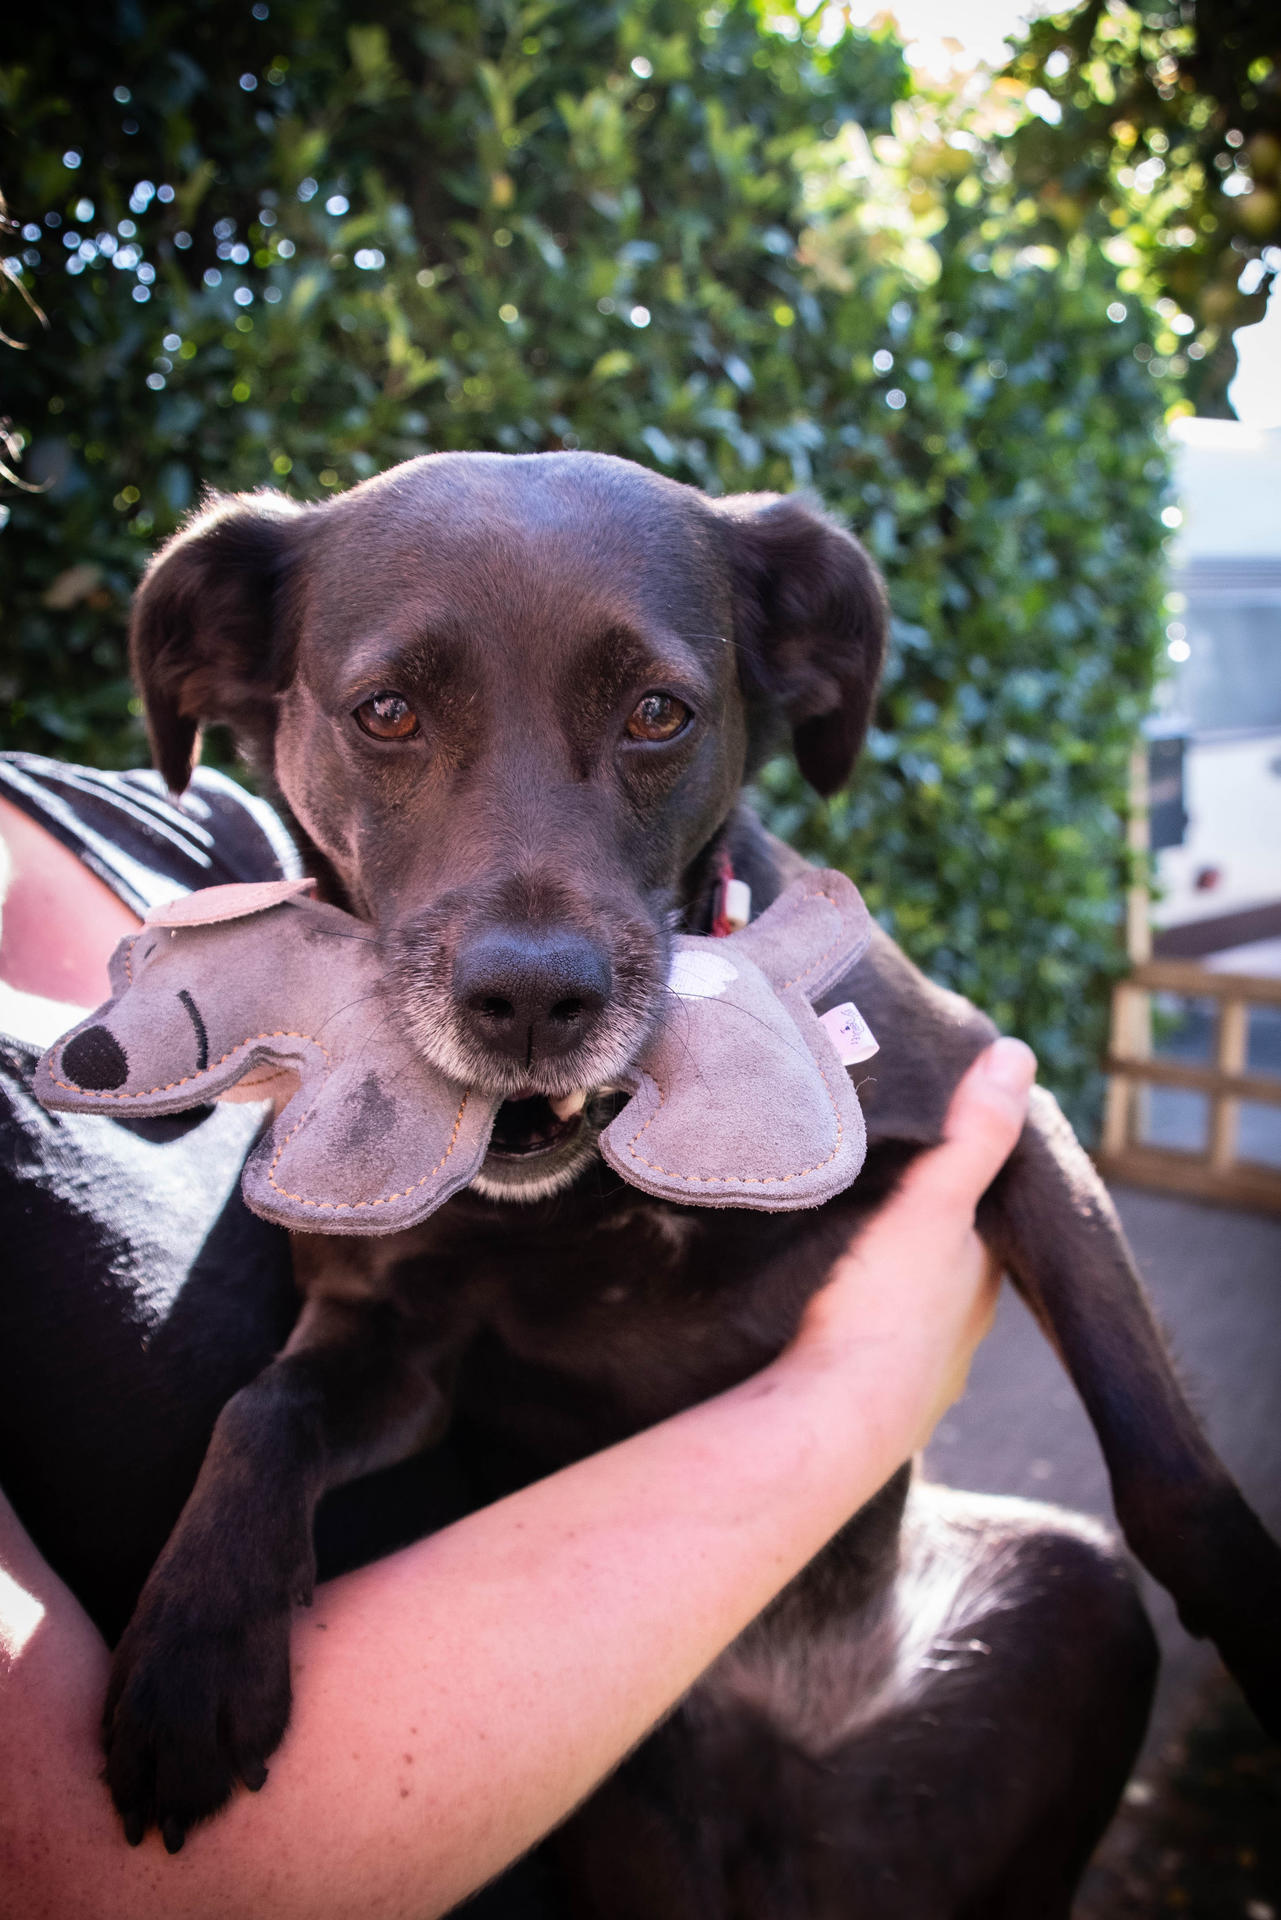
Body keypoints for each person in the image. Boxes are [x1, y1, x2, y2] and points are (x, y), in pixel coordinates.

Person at [0, 753, 1034, 1919]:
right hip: (593, 1840)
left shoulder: (222, 835)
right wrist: (852, 1400)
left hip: (730, 1703)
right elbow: (77, 1885)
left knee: (1071, 1595)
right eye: (387, 716)